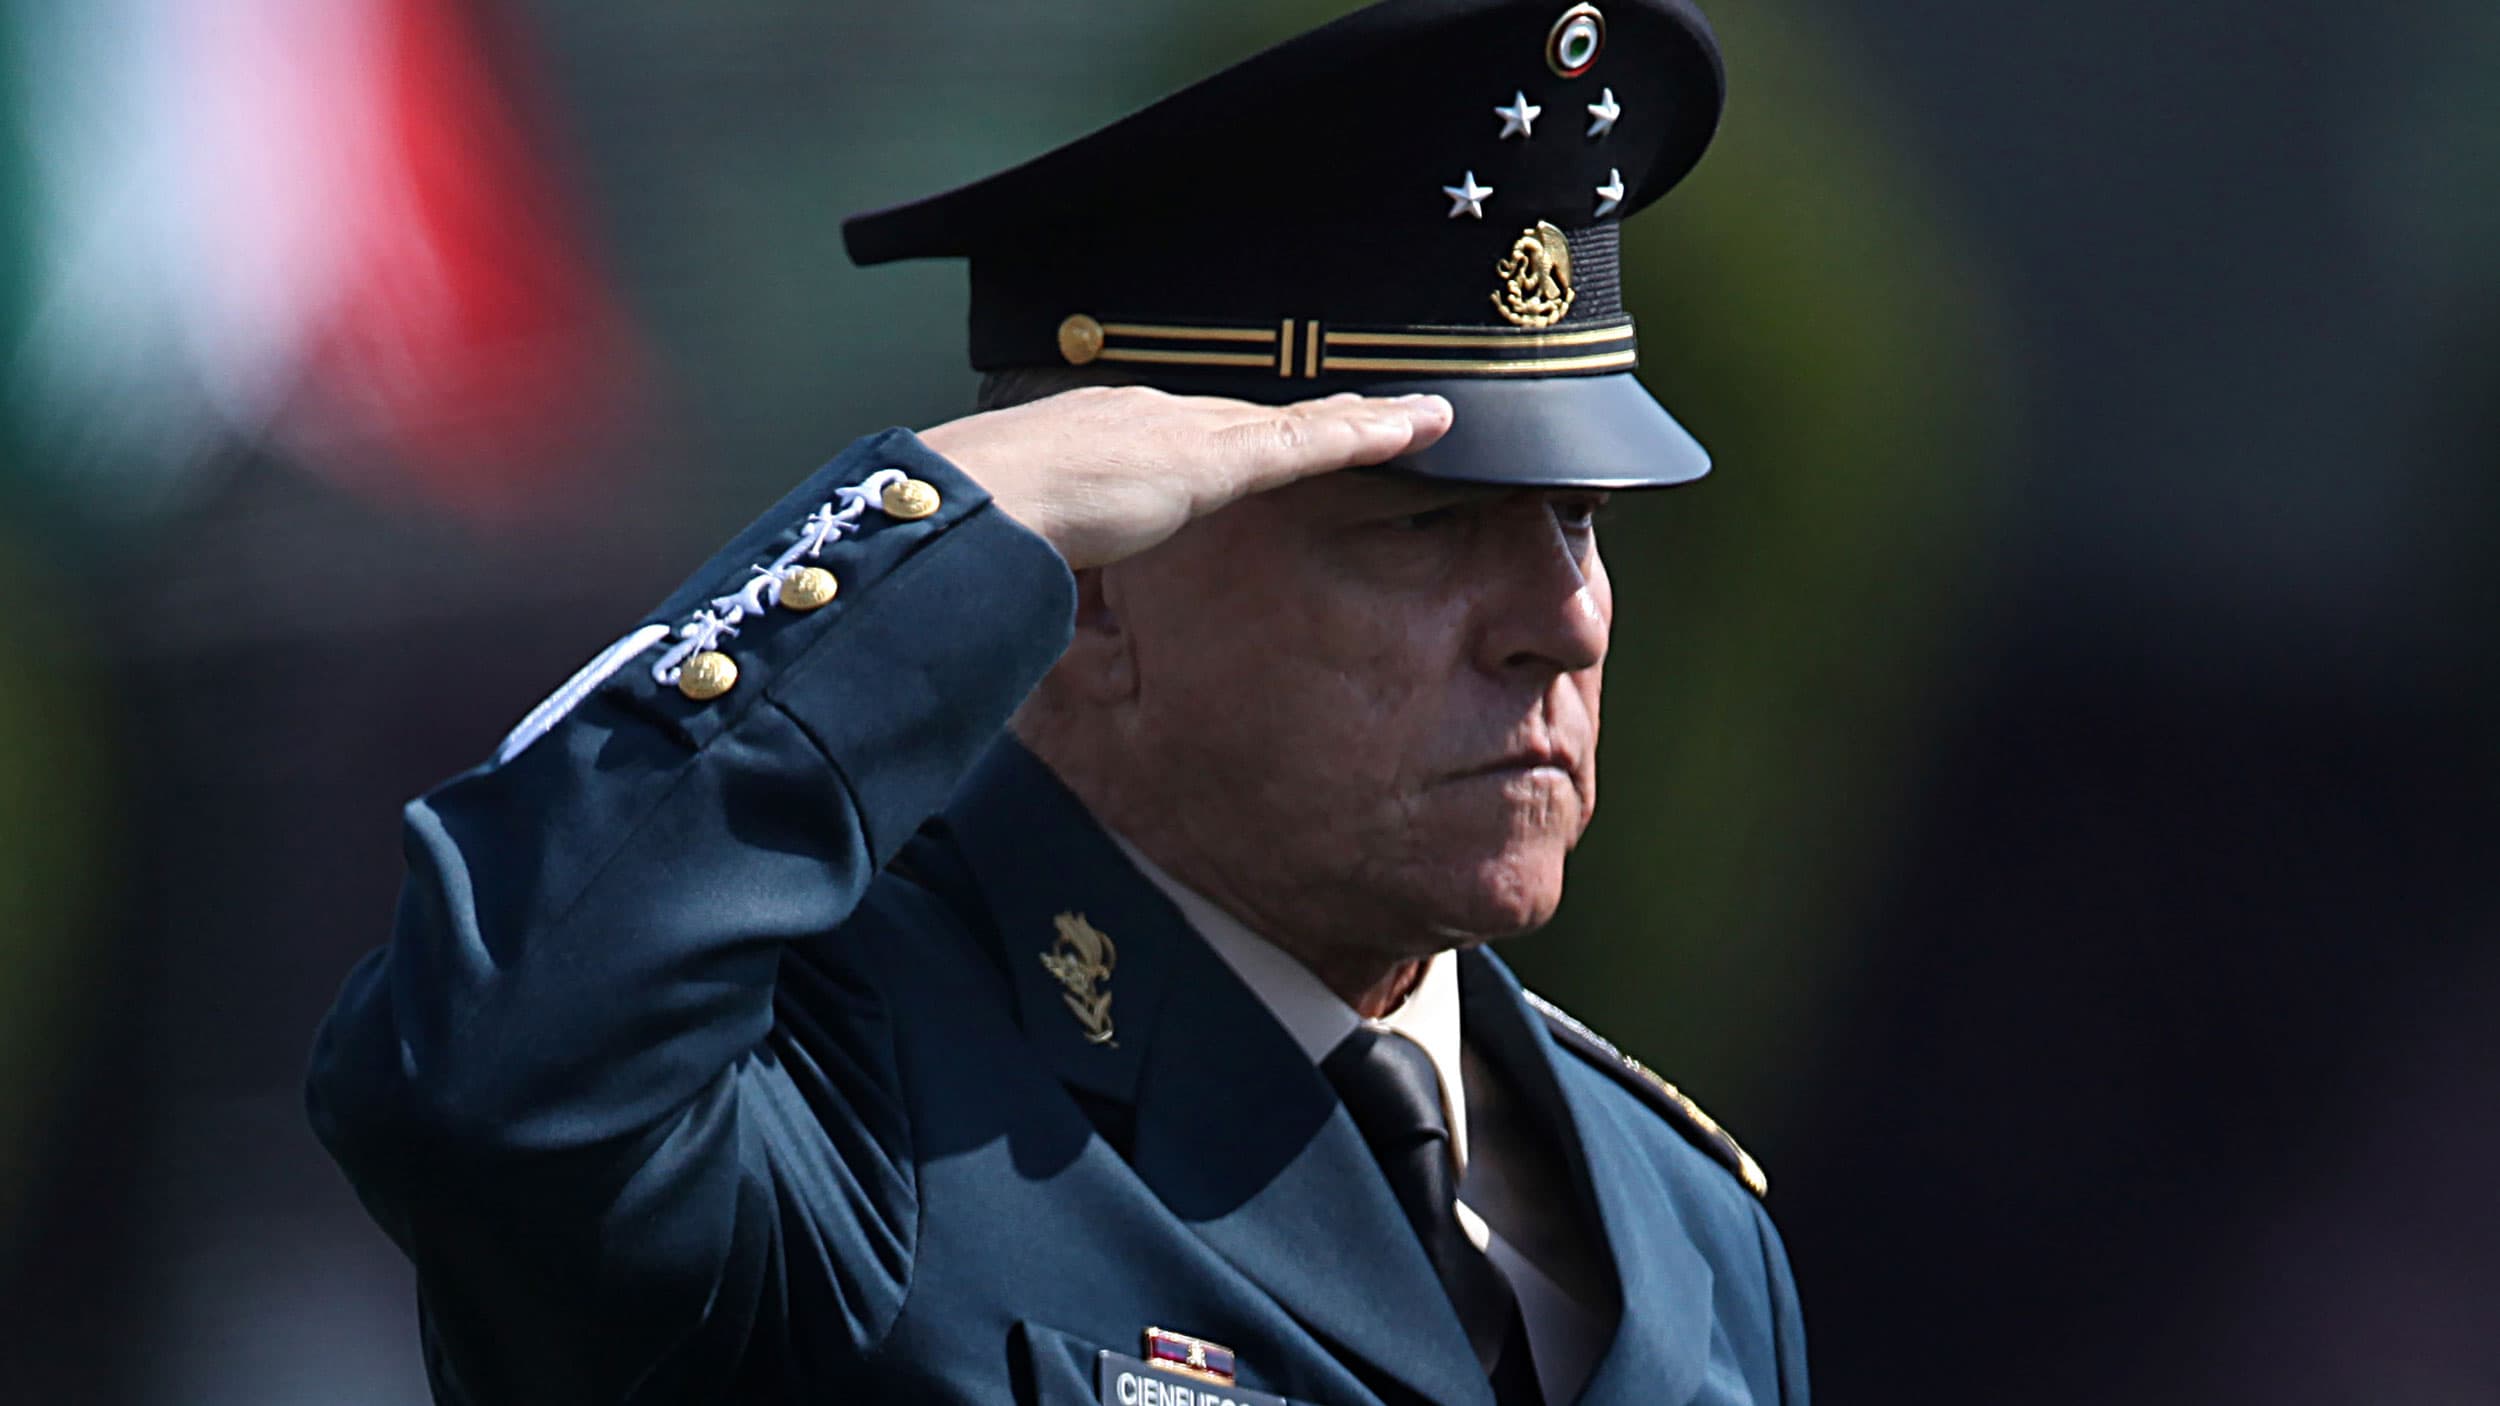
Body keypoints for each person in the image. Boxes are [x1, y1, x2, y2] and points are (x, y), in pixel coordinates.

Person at [306, 0, 1809, 1402]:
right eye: (1421, 527)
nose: (1564, 619)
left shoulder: (1687, 1230)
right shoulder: (840, 1090)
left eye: (1580, 517)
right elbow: (490, 1067)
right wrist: (942, 519)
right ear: (1091, 588)